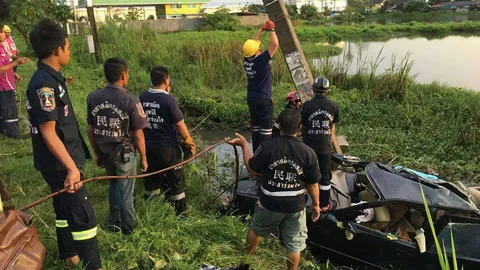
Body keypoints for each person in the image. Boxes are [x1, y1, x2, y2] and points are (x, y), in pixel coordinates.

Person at [26, 19, 101, 270]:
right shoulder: (44, 85)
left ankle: (69, 254)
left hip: (60, 159)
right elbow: (48, 132)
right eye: (67, 45)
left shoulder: (52, 78)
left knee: (62, 207)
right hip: (60, 163)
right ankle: (94, 265)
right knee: (82, 213)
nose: (69, 50)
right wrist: (71, 168)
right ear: (57, 49)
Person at [229, 108, 321, 270]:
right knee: (294, 244)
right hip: (295, 207)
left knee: (256, 229)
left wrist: (244, 145)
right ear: (300, 128)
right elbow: (313, 184)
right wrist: (316, 205)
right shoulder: (309, 153)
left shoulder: (267, 147)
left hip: (269, 204)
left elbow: (252, 170)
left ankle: (245, 261)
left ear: (279, 126)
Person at [86, 57, 148, 235]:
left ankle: (114, 223)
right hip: (124, 155)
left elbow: (91, 128)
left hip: (105, 153)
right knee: (126, 192)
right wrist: (144, 157)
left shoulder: (93, 97)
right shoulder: (131, 100)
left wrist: (97, 153)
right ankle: (129, 229)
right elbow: (138, 134)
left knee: (113, 187)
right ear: (123, 75)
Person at [139, 66, 196, 216]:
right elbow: (179, 125)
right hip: (168, 150)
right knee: (176, 182)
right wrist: (190, 143)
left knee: (151, 179)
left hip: (148, 148)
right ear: (166, 80)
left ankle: (151, 214)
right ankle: (180, 216)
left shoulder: (142, 97)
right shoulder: (168, 99)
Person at [301, 76, 339, 212]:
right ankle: (323, 205)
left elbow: (303, 125)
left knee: (305, 174)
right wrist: (329, 141)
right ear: (327, 91)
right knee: (324, 175)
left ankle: (302, 203)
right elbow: (332, 127)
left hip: (308, 148)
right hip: (325, 148)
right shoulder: (333, 106)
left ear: (313, 89)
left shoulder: (306, 106)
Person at [242, 20, 279, 152]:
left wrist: (262, 29)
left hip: (251, 98)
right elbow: (274, 45)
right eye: (257, 48)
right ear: (256, 51)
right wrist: (272, 30)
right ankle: (266, 157)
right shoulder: (260, 60)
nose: (259, 48)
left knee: (256, 128)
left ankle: (256, 155)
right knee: (266, 130)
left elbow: (251, 44)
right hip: (263, 99)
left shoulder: (246, 59)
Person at [0, 24, 23, 138]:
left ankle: (3, 130)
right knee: (9, 108)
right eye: (2, 32)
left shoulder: (3, 47)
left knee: (3, 108)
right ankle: (13, 134)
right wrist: (16, 63)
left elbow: (6, 63)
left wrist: (14, 73)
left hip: (8, 81)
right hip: (3, 85)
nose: (4, 34)